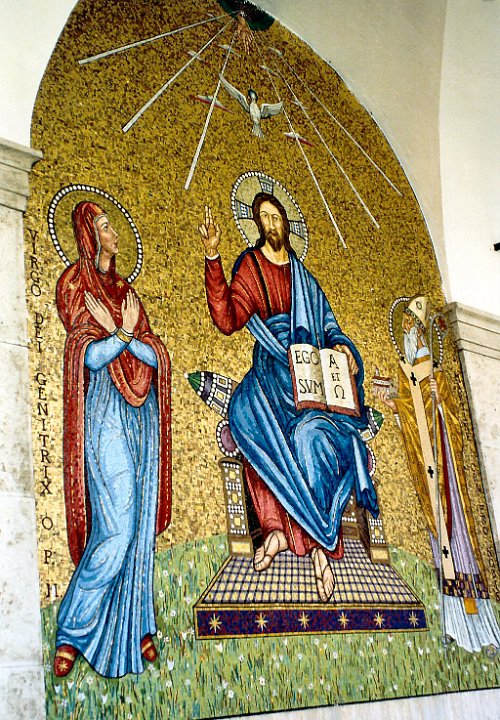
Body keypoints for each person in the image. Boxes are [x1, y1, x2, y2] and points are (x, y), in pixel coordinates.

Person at [200, 193, 378, 602]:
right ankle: (277, 531)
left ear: (286, 222)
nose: (270, 223)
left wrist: (344, 348)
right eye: (263, 217)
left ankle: (317, 545)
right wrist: (213, 258)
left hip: (312, 380)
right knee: (249, 419)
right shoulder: (251, 266)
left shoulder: (306, 281)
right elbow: (227, 318)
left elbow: (330, 328)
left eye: (276, 216)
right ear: (257, 226)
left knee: (312, 439)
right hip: (272, 370)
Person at [53, 201, 171, 678]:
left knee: (138, 527)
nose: (114, 234)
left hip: (142, 415)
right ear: (89, 234)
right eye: (104, 226)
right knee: (117, 529)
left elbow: (155, 356)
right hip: (103, 409)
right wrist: (121, 335)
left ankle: (137, 625)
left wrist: (123, 333)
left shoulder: (127, 294)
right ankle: (72, 629)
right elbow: (88, 356)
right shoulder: (76, 286)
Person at [375, 295, 500, 652]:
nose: (409, 336)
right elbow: (409, 416)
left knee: (458, 539)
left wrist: (440, 401)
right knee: (438, 544)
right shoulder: (408, 377)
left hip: (448, 479)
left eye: (413, 329)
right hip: (427, 478)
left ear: (422, 334)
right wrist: (393, 405)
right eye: (405, 330)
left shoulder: (438, 377)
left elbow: (455, 426)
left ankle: (483, 629)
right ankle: (453, 625)